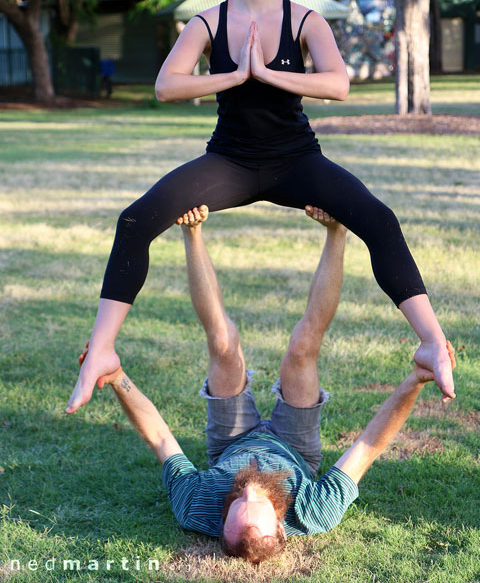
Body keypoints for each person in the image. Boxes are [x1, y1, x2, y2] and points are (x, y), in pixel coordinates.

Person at [66, 0, 454, 415]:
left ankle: (430, 340)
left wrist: (267, 72)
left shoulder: (305, 19)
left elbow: (338, 85)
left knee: (379, 219)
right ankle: (102, 350)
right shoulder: (208, 22)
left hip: (297, 159)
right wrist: (233, 75)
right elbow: (166, 85)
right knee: (135, 219)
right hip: (229, 162)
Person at [76, 206, 455, 564]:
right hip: (295, 448)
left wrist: (116, 378)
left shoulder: (197, 506)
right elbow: (368, 445)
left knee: (224, 346)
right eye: (255, 500)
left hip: (230, 441)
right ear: (280, 524)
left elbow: (159, 437)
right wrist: (415, 381)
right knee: (302, 348)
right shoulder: (314, 513)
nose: (247, 488)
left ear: (222, 519)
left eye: (235, 500)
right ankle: (337, 232)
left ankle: (192, 232)